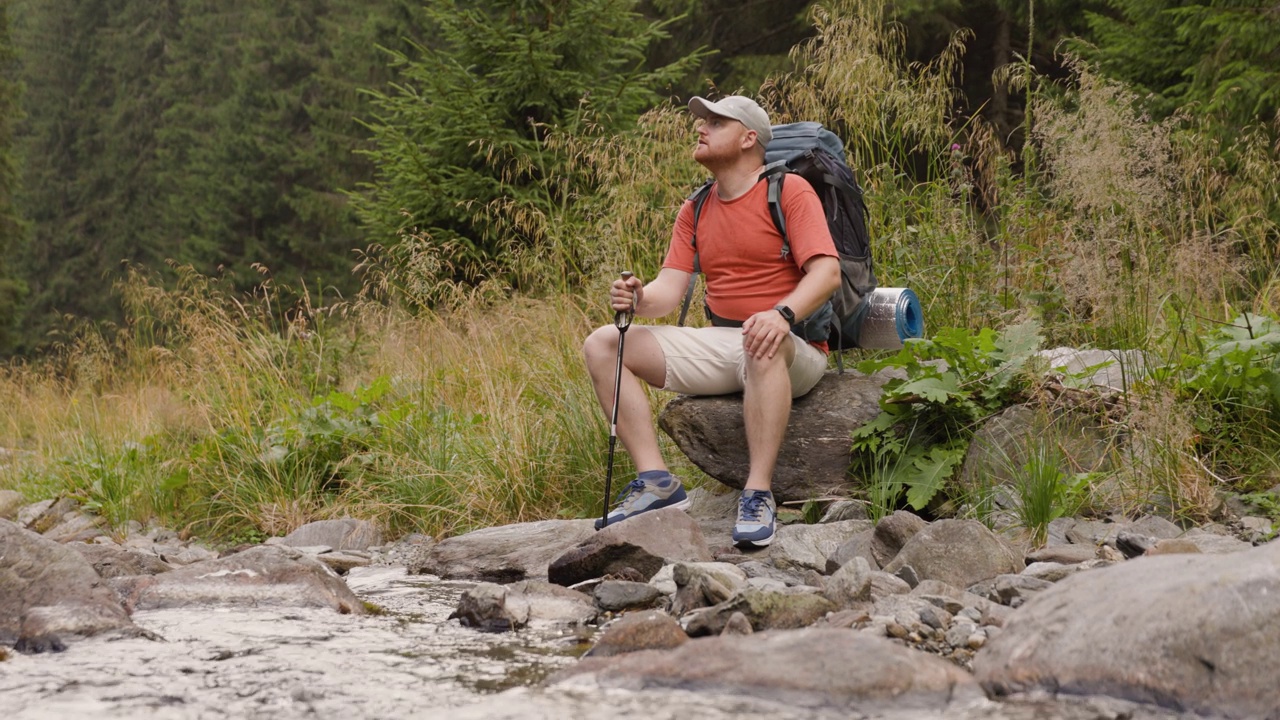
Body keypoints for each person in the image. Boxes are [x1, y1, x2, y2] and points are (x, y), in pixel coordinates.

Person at [582, 95, 841, 548]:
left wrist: (781, 314)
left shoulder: (789, 190)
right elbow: (667, 294)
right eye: (702, 120)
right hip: (728, 342)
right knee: (603, 343)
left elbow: (827, 273)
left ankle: (758, 492)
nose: (701, 127)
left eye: (717, 122)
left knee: (759, 338)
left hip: (792, 345)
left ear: (749, 138)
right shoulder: (696, 208)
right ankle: (657, 483)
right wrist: (637, 297)